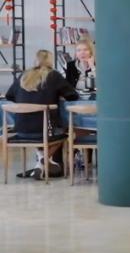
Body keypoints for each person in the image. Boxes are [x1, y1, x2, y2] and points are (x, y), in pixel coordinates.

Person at [4, 49, 79, 179]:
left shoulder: (24, 75)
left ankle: (40, 165)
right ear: (50, 61)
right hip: (45, 131)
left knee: (44, 131)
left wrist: (26, 103)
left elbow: (9, 95)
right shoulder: (54, 75)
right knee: (68, 133)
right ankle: (43, 160)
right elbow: (73, 95)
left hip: (21, 130)